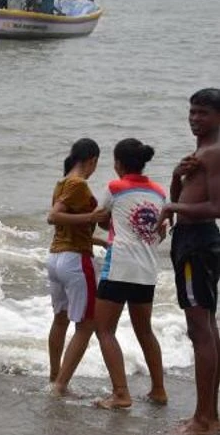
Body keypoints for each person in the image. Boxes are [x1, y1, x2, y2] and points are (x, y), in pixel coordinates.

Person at [156, 88, 220, 434]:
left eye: (203, 113)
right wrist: (176, 177)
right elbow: (187, 197)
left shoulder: (215, 153)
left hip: (199, 242)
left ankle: (204, 419)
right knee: (206, 326)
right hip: (191, 240)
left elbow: (217, 207)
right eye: (192, 112)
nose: (194, 118)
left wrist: (171, 208)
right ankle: (208, 414)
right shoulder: (202, 151)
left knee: (201, 330)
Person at [92, 138, 167, 409]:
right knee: (145, 331)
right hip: (147, 271)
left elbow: (99, 217)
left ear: (118, 163)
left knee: (104, 329)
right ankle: (159, 389)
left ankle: (121, 393)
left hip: (119, 267)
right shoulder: (160, 192)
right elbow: (162, 230)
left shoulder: (115, 187)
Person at [46, 138, 109, 396]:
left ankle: (54, 376)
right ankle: (61, 385)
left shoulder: (61, 182)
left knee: (60, 319)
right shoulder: (78, 183)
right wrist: (92, 217)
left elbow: (67, 225)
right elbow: (54, 216)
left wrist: (99, 240)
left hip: (55, 258)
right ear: (92, 160)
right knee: (87, 324)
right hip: (75, 261)